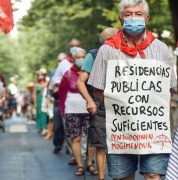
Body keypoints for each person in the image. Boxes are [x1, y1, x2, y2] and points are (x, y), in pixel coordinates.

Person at [87, 0, 177, 179]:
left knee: (153, 175)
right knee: (123, 177)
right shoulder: (107, 50)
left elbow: (169, 87)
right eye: (128, 15)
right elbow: (97, 90)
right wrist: (121, 108)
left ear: (147, 18)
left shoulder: (160, 49)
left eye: (138, 14)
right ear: (121, 19)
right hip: (120, 130)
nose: (133, 18)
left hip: (153, 130)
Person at [77, 27, 118, 180]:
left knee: (120, 145)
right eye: (110, 38)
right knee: (101, 145)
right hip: (100, 105)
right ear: (103, 41)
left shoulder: (126, 52)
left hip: (122, 107)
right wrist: (89, 101)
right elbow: (80, 82)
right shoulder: (93, 55)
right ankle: (101, 178)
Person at [58, 48, 98, 176]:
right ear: (73, 59)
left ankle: (90, 163)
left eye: (83, 56)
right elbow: (62, 95)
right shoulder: (68, 73)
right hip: (72, 110)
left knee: (92, 138)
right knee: (76, 139)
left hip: (90, 109)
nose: (81, 59)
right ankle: (80, 165)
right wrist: (63, 111)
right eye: (78, 57)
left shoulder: (92, 71)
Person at [33, 68, 48, 134]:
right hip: (39, 100)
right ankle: (41, 128)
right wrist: (35, 103)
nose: (40, 76)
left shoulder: (47, 82)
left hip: (45, 99)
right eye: (39, 75)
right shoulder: (36, 83)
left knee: (45, 113)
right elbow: (34, 94)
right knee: (39, 113)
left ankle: (45, 127)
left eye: (41, 74)